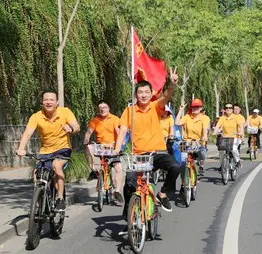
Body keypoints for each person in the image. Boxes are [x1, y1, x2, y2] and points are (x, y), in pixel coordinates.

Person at [114, 67, 180, 229]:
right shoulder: (129, 111)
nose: (143, 95)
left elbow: (165, 97)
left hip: (158, 153)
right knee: (130, 183)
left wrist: (171, 85)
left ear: (151, 94)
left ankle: (163, 193)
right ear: (136, 95)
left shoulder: (156, 106)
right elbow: (122, 130)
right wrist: (116, 150)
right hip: (138, 155)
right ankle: (129, 218)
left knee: (175, 167)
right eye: (140, 92)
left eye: (146, 92)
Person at [16, 91, 80, 211]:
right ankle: (40, 202)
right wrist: (21, 148)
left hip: (63, 148)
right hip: (45, 151)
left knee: (56, 166)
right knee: (37, 174)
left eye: (51, 100)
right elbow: (27, 133)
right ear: (42, 102)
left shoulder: (65, 112)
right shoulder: (36, 116)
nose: (48, 102)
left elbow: (77, 127)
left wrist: (70, 129)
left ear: (57, 102)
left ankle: (60, 199)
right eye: (46, 100)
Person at [83, 100, 124, 203]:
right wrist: (86, 139)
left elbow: (118, 131)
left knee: (118, 168)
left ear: (108, 108)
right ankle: (93, 169)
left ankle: (118, 191)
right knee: (88, 148)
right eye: (100, 108)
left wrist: (119, 143)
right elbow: (89, 132)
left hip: (112, 148)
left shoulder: (114, 119)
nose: (102, 109)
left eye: (104, 107)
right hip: (100, 148)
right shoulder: (95, 120)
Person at [175, 98, 209, 177]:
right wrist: (180, 111)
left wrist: (205, 136)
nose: (195, 108)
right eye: (193, 106)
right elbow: (177, 122)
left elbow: (204, 129)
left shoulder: (204, 118)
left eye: (197, 107)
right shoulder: (187, 117)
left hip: (198, 142)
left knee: (202, 155)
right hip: (186, 142)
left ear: (201, 108)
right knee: (183, 163)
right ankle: (184, 183)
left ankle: (199, 167)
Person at [213, 103, 243, 168]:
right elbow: (218, 126)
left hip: (234, 137)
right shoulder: (222, 118)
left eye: (230, 108)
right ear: (225, 109)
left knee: (233, 149)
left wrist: (240, 132)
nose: (228, 109)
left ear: (232, 109)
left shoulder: (236, 117)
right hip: (225, 137)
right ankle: (222, 166)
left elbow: (241, 126)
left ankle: (238, 161)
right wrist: (215, 132)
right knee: (221, 151)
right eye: (227, 108)